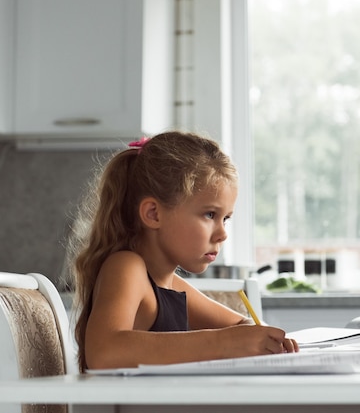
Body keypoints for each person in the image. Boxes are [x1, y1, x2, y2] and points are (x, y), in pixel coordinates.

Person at [69, 131, 298, 372]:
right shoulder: (127, 267)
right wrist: (226, 342)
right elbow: (104, 353)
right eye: (210, 214)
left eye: (226, 218)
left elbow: (240, 324)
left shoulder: (169, 283)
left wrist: (259, 334)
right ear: (153, 214)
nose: (223, 233)